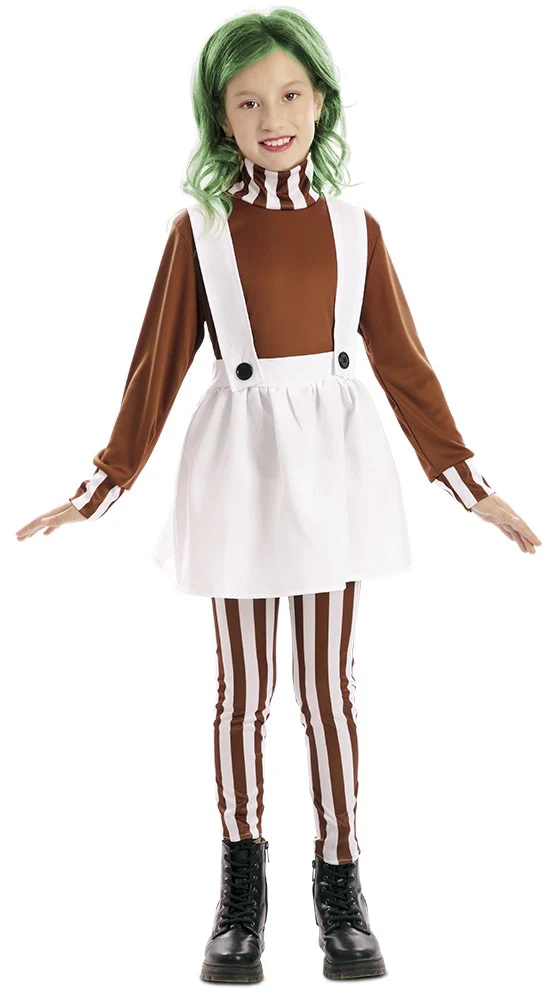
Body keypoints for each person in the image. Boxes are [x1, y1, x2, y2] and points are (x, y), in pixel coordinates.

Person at [15, 7, 541, 985]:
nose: (273, 117)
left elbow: (403, 366)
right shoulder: (201, 231)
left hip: (332, 472)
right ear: (219, 116)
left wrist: (470, 487)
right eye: (248, 101)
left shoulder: (354, 228)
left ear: (322, 102)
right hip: (238, 474)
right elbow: (154, 369)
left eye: (290, 95)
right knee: (241, 694)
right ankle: (240, 890)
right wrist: (96, 489)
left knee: (328, 691)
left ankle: (340, 886)